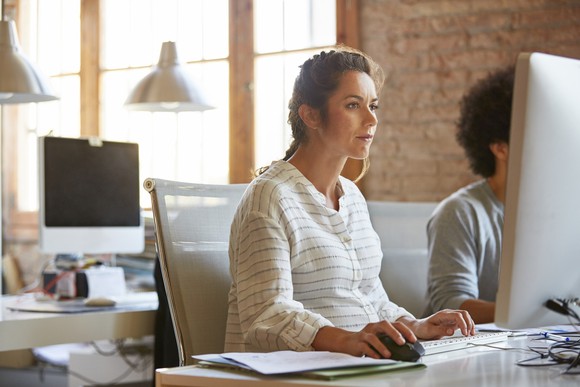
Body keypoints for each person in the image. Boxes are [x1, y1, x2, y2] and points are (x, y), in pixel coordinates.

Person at [224, 45, 475, 359]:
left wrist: (415, 325)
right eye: (353, 105)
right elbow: (265, 316)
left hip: (358, 367)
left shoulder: (352, 197)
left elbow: (368, 296)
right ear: (311, 115)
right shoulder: (270, 198)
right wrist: (346, 340)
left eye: (373, 105)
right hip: (298, 375)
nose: (371, 119)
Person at [424, 66, 515, 324]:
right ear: (500, 148)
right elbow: (451, 305)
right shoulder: (459, 213)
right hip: (467, 353)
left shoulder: (561, 214)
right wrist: (534, 315)